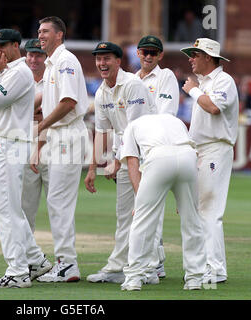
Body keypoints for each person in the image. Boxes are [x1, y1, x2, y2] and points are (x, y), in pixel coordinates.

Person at [0, 29, 51, 289]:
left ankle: (18, 271)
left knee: (5, 210)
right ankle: (35, 260)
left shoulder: (19, 72)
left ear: (14, 46)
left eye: (2, 46)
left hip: (9, 143)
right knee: (11, 208)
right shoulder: (10, 72)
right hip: (3, 141)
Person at [84, 41, 156, 284]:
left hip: (146, 158)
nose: (101, 63)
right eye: (98, 59)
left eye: (107, 59)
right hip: (126, 158)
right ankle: (120, 266)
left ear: (118, 61)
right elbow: (103, 132)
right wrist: (92, 167)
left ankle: (148, 269)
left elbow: (135, 130)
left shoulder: (133, 85)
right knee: (125, 215)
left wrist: (114, 160)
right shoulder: (102, 91)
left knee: (143, 212)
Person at [119, 113, 207, 291]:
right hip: (188, 158)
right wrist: (185, 198)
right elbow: (194, 152)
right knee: (192, 219)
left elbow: (132, 162)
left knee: (142, 221)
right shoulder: (174, 120)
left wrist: (140, 201)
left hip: (158, 157)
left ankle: (134, 278)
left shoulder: (132, 125)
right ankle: (195, 278)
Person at [34, 16, 90, 283]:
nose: (40, 35)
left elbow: (68, 102)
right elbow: (46, 102)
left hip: (67, 135)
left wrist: (40, 126)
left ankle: (67, 264)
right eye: (39, 31)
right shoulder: (51, 64)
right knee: (56, 200)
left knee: (59, 201)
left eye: (45, 31)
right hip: (58, 136)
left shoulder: (65, 61)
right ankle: (64, 262)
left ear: (60, 35)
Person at [180, 37, 239, 284]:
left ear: (208, 57)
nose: (190, 59)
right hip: (198, 150)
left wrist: (193, 89)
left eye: (194, 55)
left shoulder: (223, 81)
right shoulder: (205, 82)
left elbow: (214, 107)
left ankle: (214, 269)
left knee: (210, 210)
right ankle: (206, 264)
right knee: (196, 210)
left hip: (216, 149)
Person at [135, 35, 180, 278]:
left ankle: (153, 263)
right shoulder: (131, 79)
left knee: (152, 206)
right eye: (145, 52)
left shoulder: (166, 77)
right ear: (138, 53)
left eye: (154, 52)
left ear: (160, 55)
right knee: (141, 207)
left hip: (157, 147)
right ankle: (153, 260)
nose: (149, 56)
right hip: (137, 149)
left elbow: (167, 114)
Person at [21, 38, 49, 233]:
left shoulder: (54, 79)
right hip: (24, 146)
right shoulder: (20, 80)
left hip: (51, 146)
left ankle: (63, 259)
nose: (34, 59)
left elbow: (51, 115)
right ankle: (27, 258)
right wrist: (34, 114)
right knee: (25, 208)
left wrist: (33, 115)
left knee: (57, 207)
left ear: (46, 58)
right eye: (31, 54)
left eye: (39, 55)